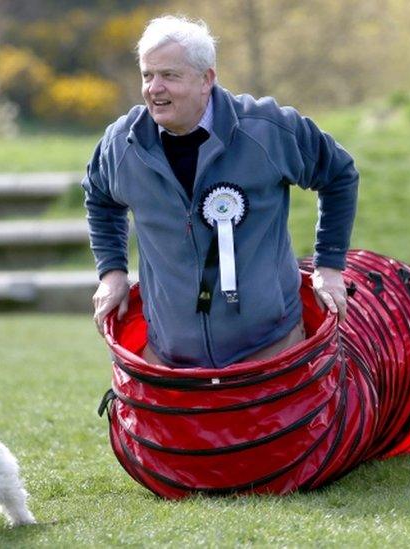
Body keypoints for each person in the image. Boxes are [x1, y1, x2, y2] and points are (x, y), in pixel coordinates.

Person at [84, 16, 358, 368]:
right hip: (171, 360)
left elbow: (339, 174)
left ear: (206, 79)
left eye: (169, 75)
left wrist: (330, 264)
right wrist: (112, 272)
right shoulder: (122, 144)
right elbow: (98, 197)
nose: (154, 88)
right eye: (147, 75)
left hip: (271, 350)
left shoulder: (268, 129)